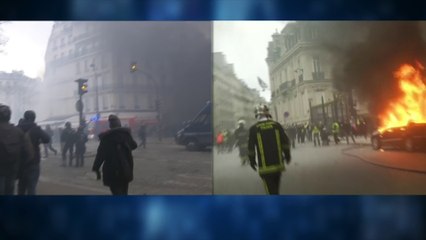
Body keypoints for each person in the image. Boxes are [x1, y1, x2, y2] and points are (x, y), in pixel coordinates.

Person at [248, 104, 291, 195]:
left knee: (271, 192)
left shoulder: (254, 129)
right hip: (278, 164)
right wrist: (287, 155)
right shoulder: (276, 125)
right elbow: (285, 142)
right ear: (267, 113)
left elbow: (251, 148)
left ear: (256, 115)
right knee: (276, 189)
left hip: (265, 167)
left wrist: (252, 161)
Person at [92, 115, 137, 195]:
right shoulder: (126, 135)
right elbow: (134, 146)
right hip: (125, 169)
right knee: (124, 192)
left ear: (110, 125)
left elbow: (100, 155)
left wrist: (96, 168)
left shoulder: (106, 138)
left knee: (116, 192)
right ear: (119, 123)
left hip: (111, 170)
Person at [0, 104, 33, 195]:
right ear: (9, 116)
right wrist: (19, 166)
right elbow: (30, 153)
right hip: (12, 170)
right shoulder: (18, 132)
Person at [17, 110, 50, 195]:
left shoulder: (17, 128)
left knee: (21, 187)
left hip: (20, 163)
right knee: (31, 188)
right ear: (34, 118)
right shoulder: (36, 129)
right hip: (33, 161)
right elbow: (47, 139)